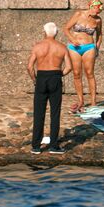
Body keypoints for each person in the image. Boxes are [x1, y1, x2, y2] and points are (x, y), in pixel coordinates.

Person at [27, 22, 72, 154]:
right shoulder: (62, 47)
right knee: (55, 113)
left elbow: (29, 67)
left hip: (41, 78)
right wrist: (58, 75)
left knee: (38, 113)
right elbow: (68, 67)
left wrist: (35, 80)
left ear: (44, 32)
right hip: (55, 77)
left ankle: (35, 146)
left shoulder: (37, 47)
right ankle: (53, 146)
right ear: (56, 32)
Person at [63, 0, 103, 111]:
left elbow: (99, 35)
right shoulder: (78, 14)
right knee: (76, 73)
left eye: (99, 10)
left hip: (89, 47)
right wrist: (72, 39)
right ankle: (80, 100)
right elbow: (66, 29)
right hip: (74, 47)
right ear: (90, 6)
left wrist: (97, 48)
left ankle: (93, 101)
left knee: (90, 73)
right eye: (96, 9)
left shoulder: (98, 20)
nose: (97, 12)